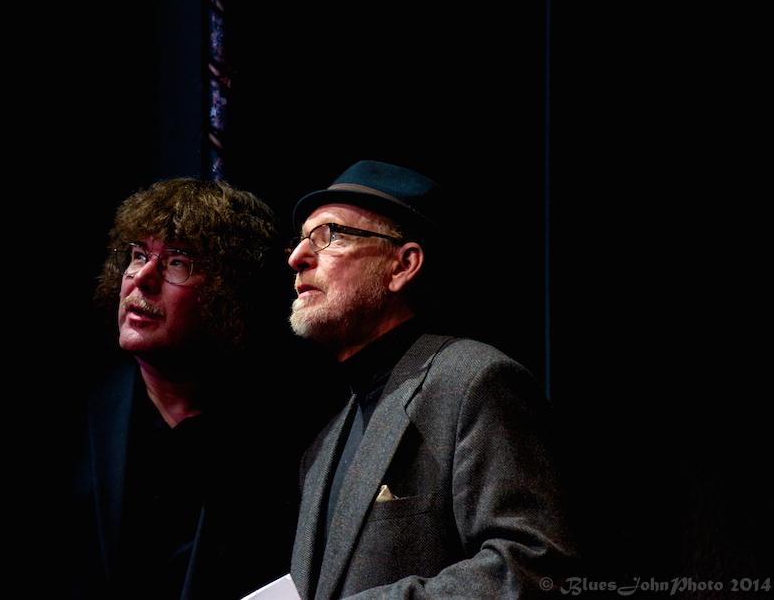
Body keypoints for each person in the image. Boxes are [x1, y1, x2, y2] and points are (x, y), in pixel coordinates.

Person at [285, 160, 583, 599]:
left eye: (330, 235)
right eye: (301, 240)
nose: (297, 257)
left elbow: (538, 566)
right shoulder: (322, 445)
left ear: (403, 265)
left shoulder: (473, 381)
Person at [55, 177, 335, 600]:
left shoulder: (295, 435)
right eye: (137, 255)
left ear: (228, 296)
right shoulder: (64, 413)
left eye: (176, 263)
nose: (141, 279)